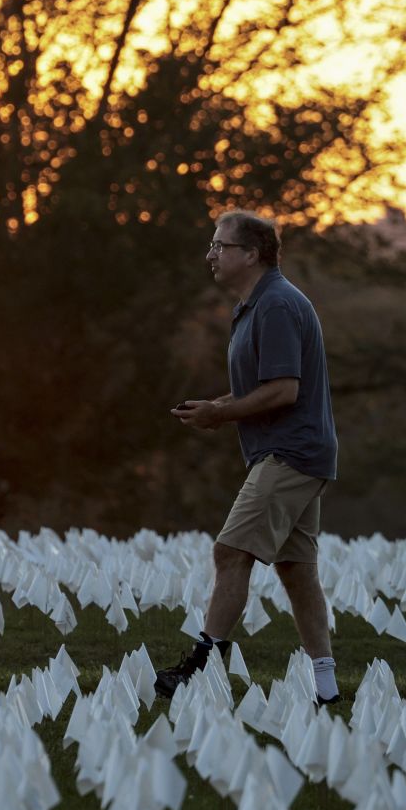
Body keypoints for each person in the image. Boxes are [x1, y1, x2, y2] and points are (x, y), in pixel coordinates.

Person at [155, 209, 342, 705]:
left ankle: (202, 666)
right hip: (293, 452)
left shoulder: (276, 305)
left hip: (291, 453)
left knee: (230, 552)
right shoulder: (255, 304)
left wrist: (223, 415)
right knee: (296, 569)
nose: (211, 255)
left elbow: (283, 390)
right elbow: (263, 387)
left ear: (253, 254)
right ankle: (326, 687)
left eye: (221, 246)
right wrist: (217, 406)